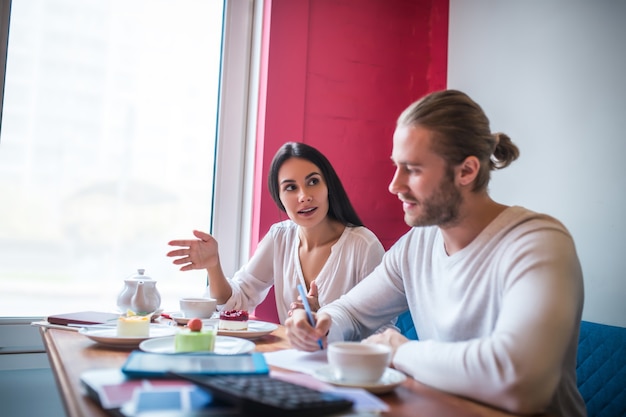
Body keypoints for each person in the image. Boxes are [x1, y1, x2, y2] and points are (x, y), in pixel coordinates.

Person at [286, 90, 586, 417]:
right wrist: (324, 324)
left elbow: (519, 381)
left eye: (412, 170)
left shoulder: (538, 242)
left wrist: (397, 350)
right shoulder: (417, 244)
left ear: (467, 171)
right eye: (396, 167)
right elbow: (354, 313)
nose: (394, 185)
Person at [167, 141, 385, 324]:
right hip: (292, 361)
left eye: (313, 182)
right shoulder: (280, 238)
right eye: (291, 187)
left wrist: (326, 320)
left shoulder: (364, 246)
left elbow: (381, 331)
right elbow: (238, 299)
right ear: (278, 197)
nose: (304, 196)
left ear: (329, 186)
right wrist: (214, 267)